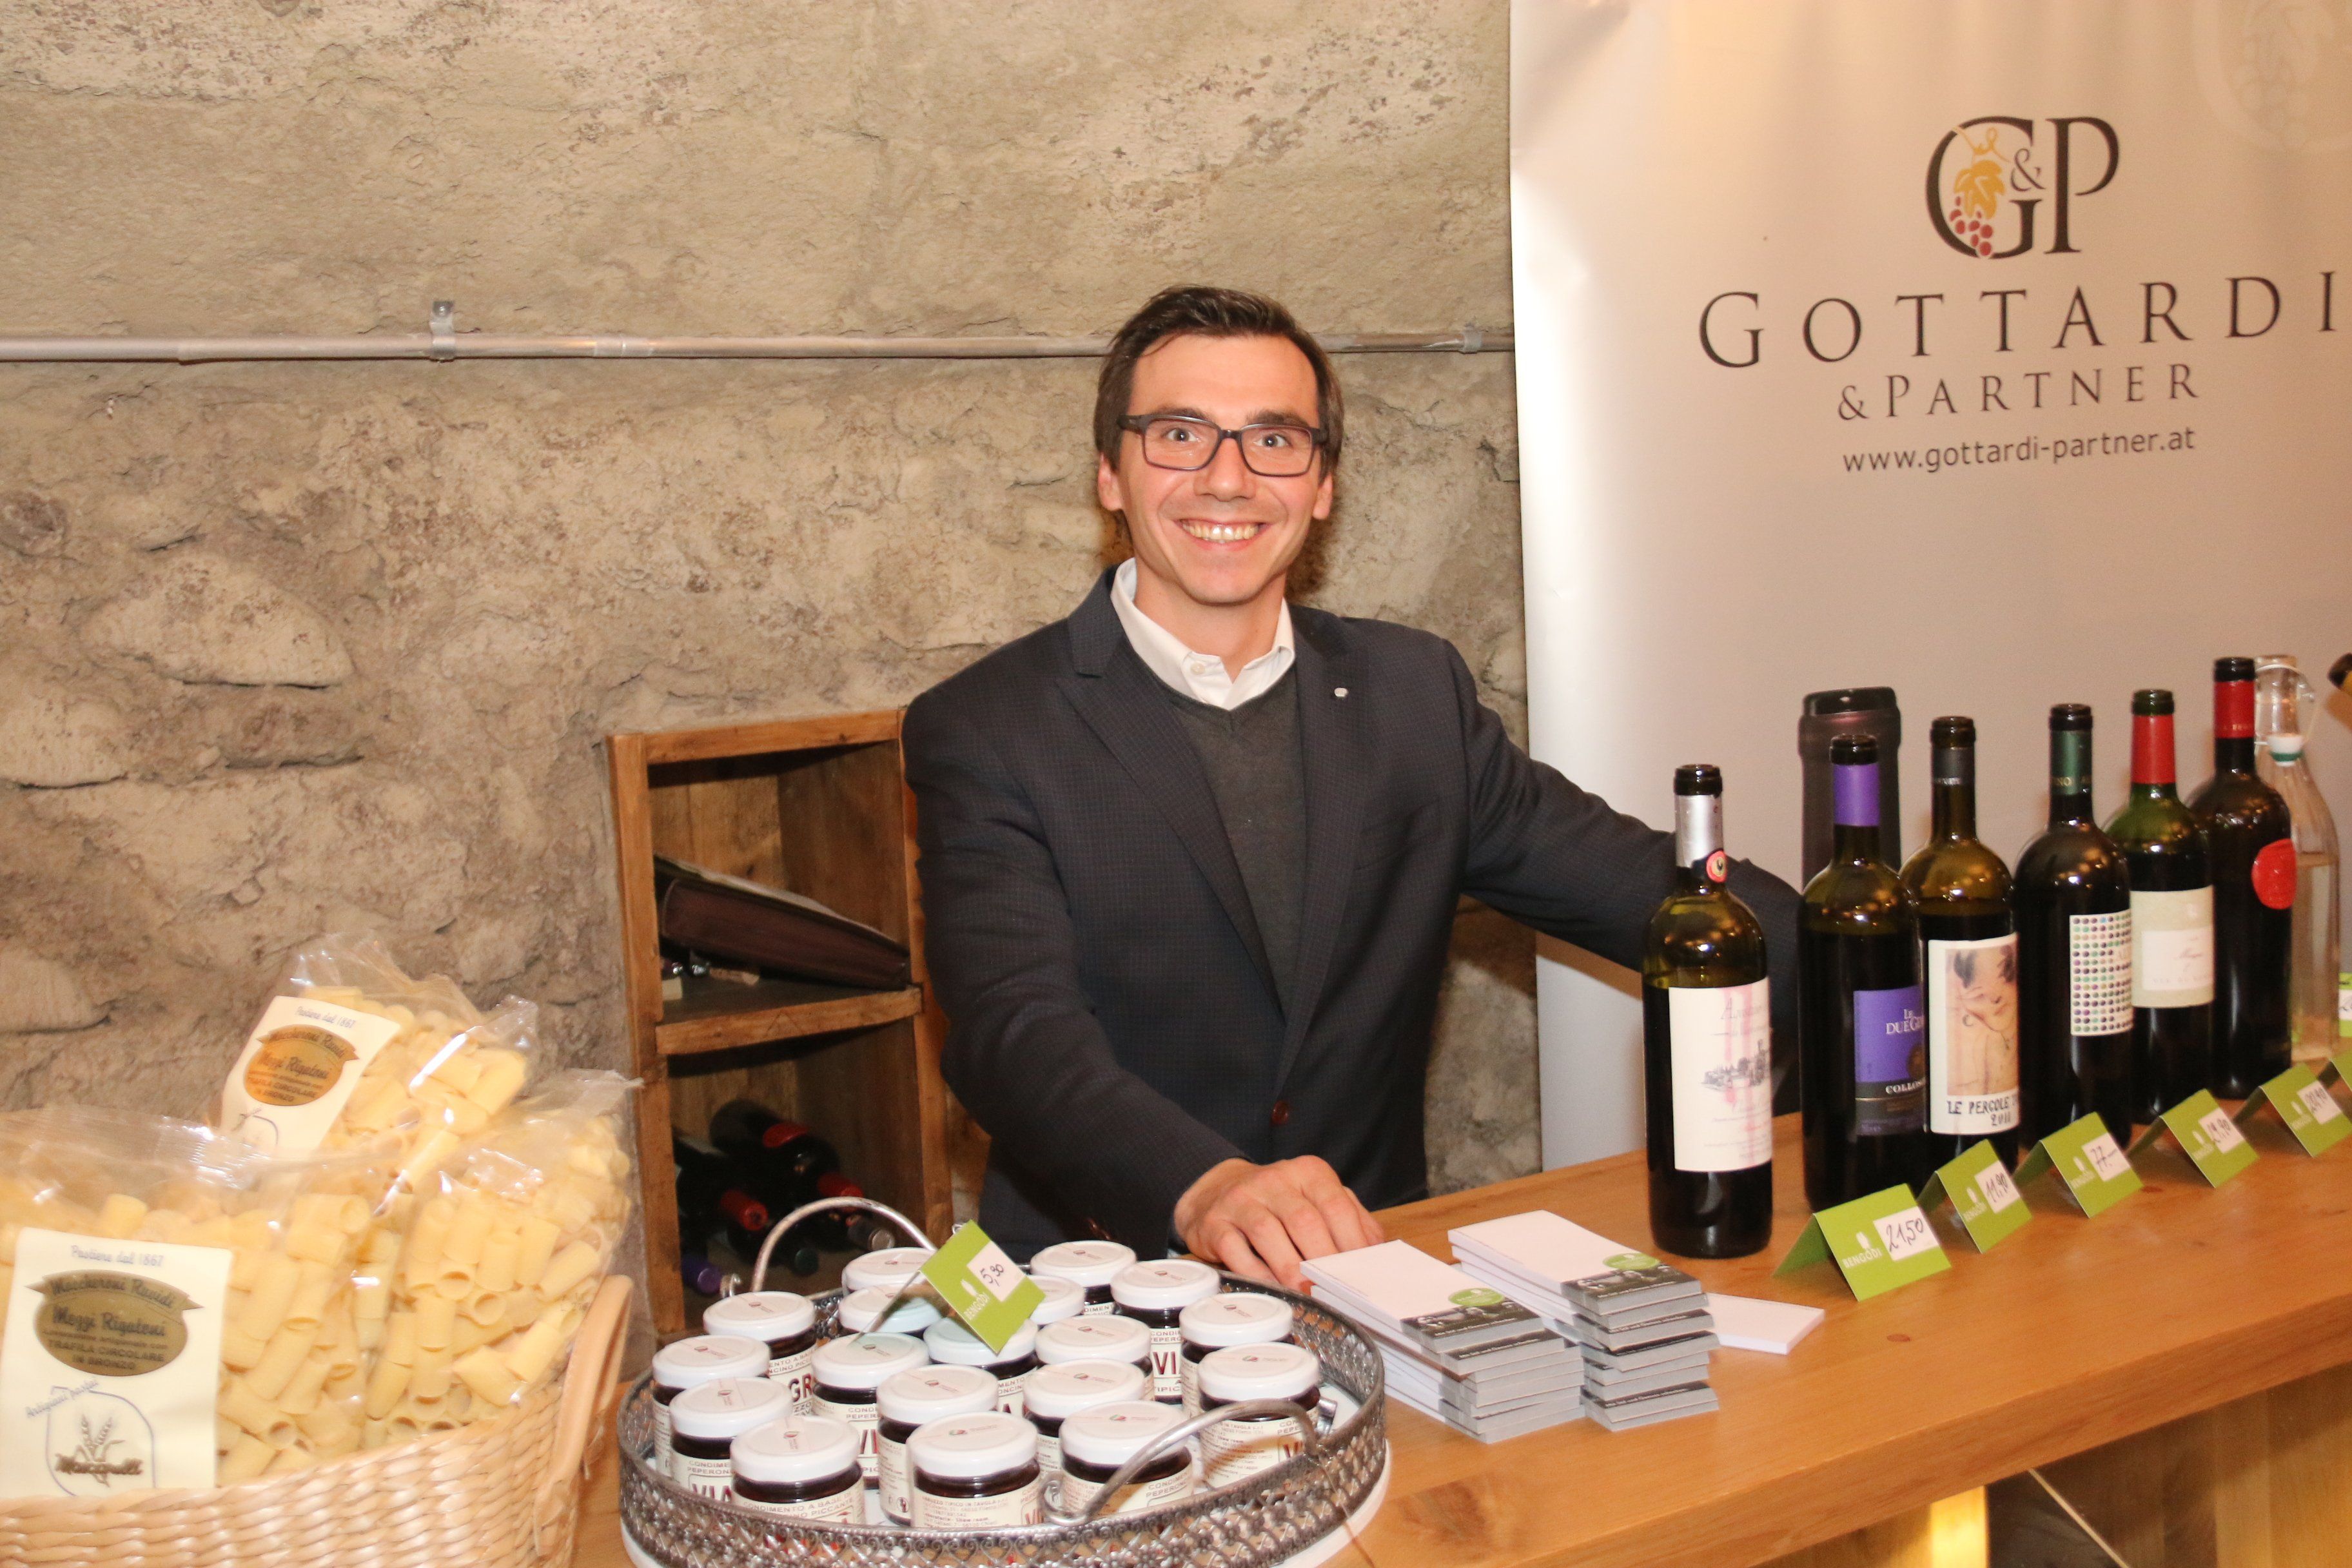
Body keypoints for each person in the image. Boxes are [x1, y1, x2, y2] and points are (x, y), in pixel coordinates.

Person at [903, 285, 1801, 1288]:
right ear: (1110, 473)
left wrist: (1883, 967)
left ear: (1323, 484)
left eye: (1275, 441)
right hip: (1103, 1294)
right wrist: (1202, 1184)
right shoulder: (989, 726)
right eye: (1181, 435)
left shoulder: (1413, 696)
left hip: (1369, 1276)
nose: (1228, 480)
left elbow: (1663, 897)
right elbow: (1013, 1033)